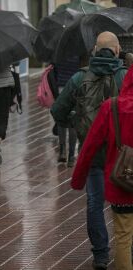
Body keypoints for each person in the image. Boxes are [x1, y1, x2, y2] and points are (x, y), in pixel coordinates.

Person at [51, 32, 128, 270]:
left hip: (92, 151)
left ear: (95, 50)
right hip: (122, 153)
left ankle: (101, 255)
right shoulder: (126, 76)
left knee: (95, 203)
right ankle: (127, 249)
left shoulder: (79, 78)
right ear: (117, 50)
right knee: (126, 201)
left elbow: (57, 111)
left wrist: (77, 119)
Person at [71, 64, 133, 270]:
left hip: (123, 183)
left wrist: (78, 179)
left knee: (123, 237)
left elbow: (90, 146)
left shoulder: (111, 106)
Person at [54, 57, 79, 167]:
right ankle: (71, 157)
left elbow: (54, 68)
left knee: (61, 118)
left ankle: (63, 150)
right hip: (75, 87)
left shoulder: (60, 50)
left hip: (61, 87)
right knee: (73, 121)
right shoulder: (81, 50)